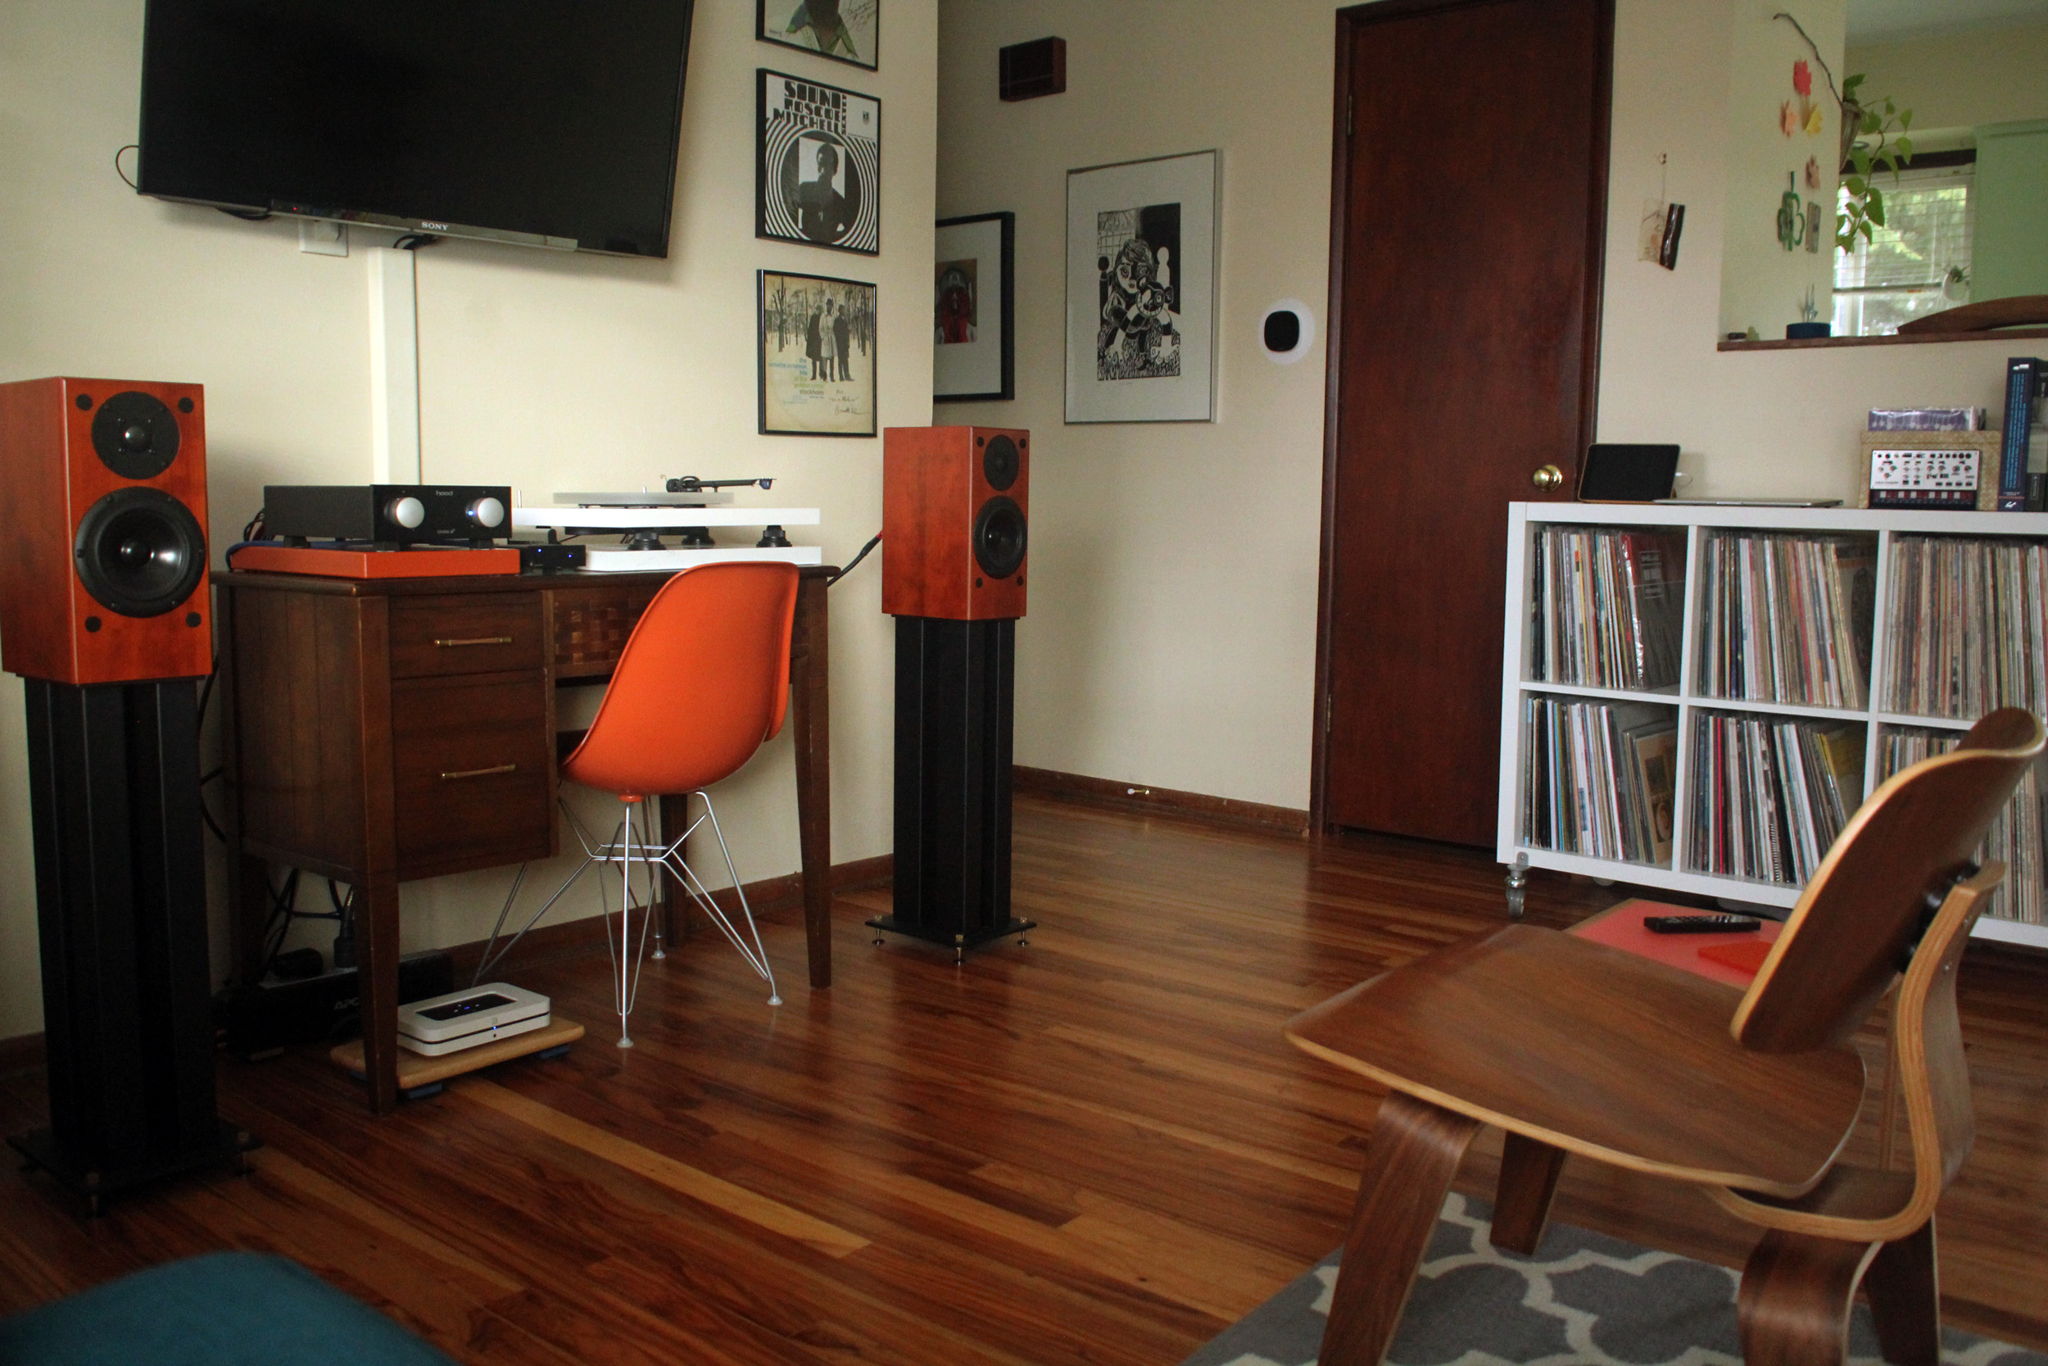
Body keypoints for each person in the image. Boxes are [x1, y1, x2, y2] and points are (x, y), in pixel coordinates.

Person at [794, 141, 854, 245]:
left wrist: (833, 237)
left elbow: (850, 230)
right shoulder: (805, 189)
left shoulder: (840, 202)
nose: (822, 169)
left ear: (834, 169)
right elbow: (789, 209)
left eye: (826, 164)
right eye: (820, 163)